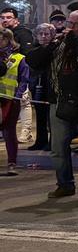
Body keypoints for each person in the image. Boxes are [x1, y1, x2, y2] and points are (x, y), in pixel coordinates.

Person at [30, 11, 78, 197]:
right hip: (59, 101)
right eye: (70, 23)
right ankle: (64, 184)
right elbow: (33, 60)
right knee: (58, 147)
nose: (72, 28)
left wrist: (77, 44)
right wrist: (53, 44)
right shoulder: (57, 45)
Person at [0, 28, 30, 174]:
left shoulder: (19, 58)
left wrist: (18, 95)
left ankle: (12, 163)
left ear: (7, 39)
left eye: (1, 39)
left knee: (9, 132)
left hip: (10, 99)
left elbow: (24, 79)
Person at [23, 24, 55, 154]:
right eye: (40, 34)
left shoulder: (56, 48)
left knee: (51, 117)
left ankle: (53, 142)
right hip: (38, 85)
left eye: (46, 34)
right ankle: (40, 140)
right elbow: (34, 60)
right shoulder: (33, 50)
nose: (43, 36)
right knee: (40, 115)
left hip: (52, 85)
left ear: (52, 36)